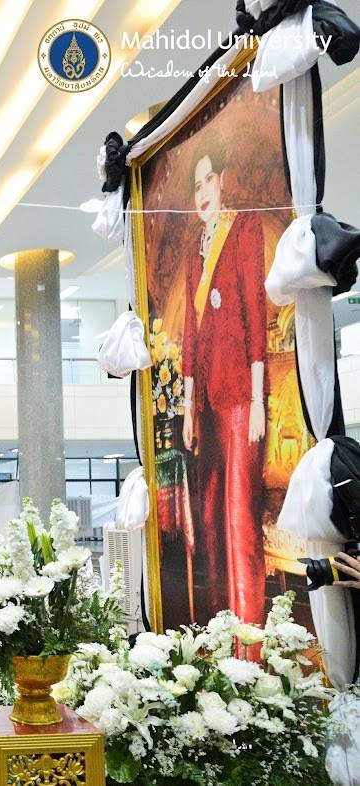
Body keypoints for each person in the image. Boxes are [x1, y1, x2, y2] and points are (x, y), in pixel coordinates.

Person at [179, 130, 268, 624]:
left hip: (240, 398)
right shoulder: (194, 251)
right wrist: (188, 410)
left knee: (238, 518)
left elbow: (255, 311)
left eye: (209, 179)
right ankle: (220, 632)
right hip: (208, 402)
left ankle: (249, 642)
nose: (203, 192)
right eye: (196, 185)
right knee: (211, 518)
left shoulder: (244, 230)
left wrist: (257, 400)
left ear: (224, 180)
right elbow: (190, 337)